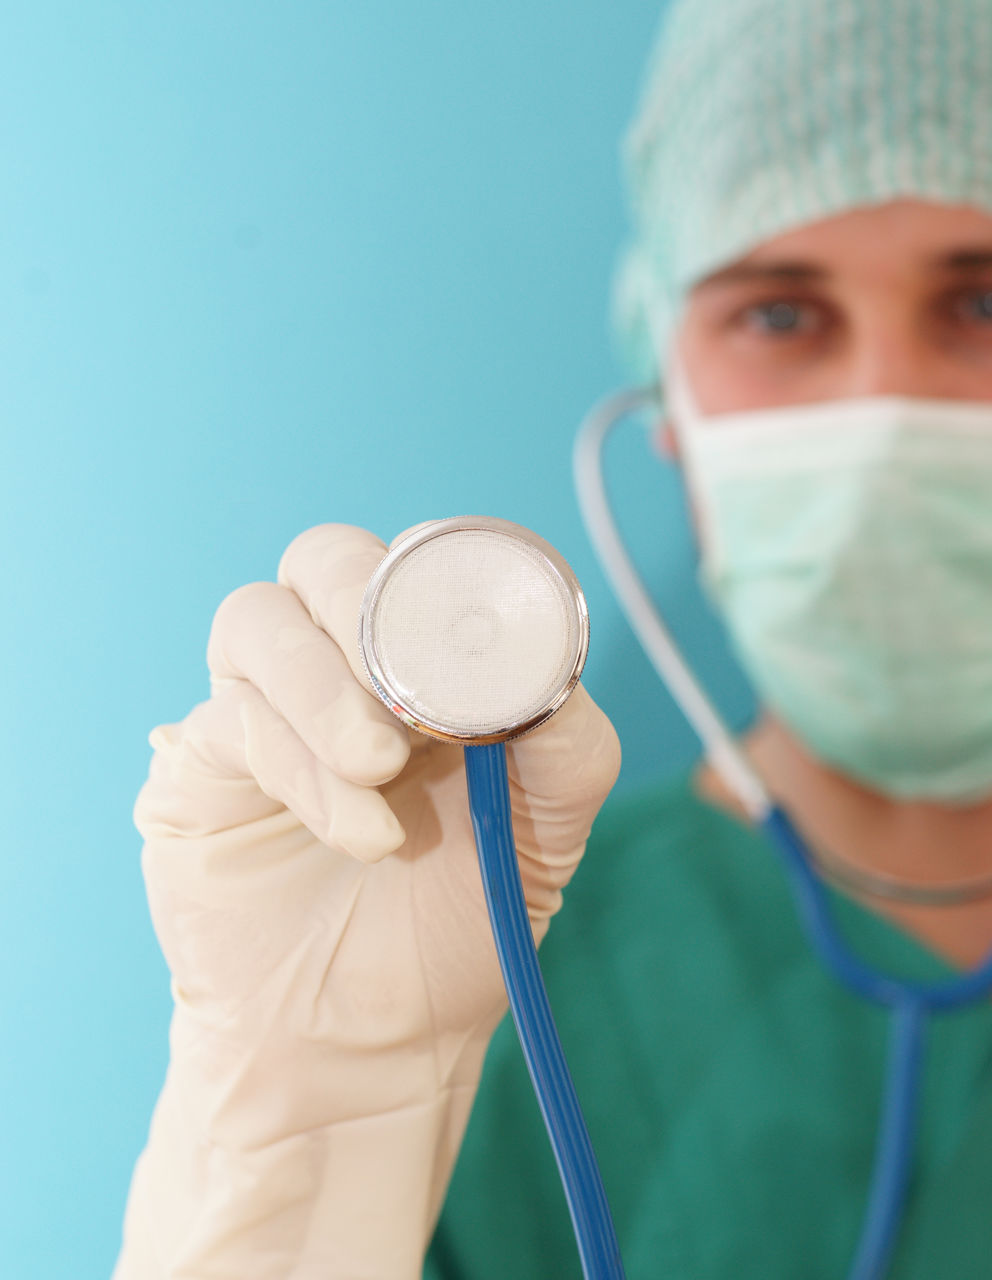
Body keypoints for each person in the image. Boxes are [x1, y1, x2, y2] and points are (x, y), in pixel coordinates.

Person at [113, 0, 992, 1276]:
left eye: (979, 302)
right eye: (779, 317)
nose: (883, 409)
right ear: (667, 386)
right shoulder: (484, 942)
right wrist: (302, 1132)